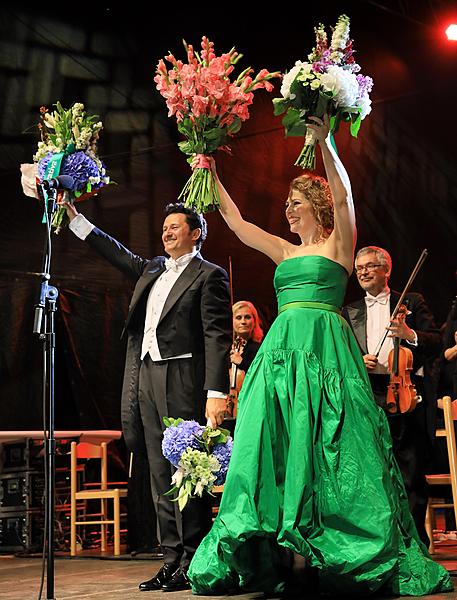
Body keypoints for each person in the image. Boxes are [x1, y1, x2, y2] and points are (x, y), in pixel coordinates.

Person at [187, 116, 452, 596]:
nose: (288, 209)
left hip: (324, 353)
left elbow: (345, 194)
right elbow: (237, 223)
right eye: (288, 203)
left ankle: (339, 545)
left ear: (316, 206)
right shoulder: (285, 253)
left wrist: (325, 141)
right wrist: (209, 171)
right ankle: (276, 544)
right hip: (282, 358)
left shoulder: (338, 245)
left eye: (296, 202)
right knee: (273, 444)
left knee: (334, 445)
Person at [64, 201, 231, 592]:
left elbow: (216, 335)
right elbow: (115, 251)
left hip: (183, 377)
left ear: (196, 233)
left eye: (176, 227)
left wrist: (215, 391)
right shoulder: (153, 268)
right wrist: (75, 218)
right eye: (165, 227)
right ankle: (171, 558)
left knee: (186, 469)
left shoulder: (210, 276)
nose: (167, 232)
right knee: (158, 471)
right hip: (147, 374)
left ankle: (193, 559)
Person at [342, 246, 441, 547]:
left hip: (407, 393)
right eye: (359, 268)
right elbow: (341, 355)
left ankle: (415, 545)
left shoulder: (410, 301)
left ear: (386, 269)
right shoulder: (349, 311)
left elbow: (436, 341)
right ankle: (380, 543)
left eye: (370, 266)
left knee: (410, 472)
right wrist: (358, 360)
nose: (363, 272)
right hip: (369, 394)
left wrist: (409, 334)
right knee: (374, 472)